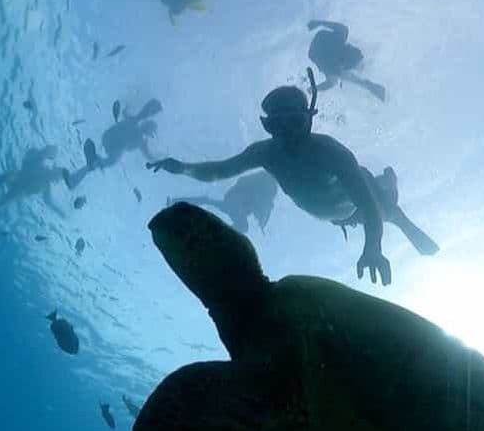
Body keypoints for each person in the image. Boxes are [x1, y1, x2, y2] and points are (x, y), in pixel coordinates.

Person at [148, 70, 436, 286]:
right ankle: (386, 194)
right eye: (276, 125)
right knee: (374, 209)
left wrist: (372, 247)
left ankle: (390, 189)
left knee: (387, 210)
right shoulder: (265, 153)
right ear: (268, 126)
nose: (287, 134)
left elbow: (369, 206)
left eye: (294, 122)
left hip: (359, 205)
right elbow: (219, 171)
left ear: (309, 118)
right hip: (336, 215)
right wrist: (183, 167)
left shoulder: (332, 153)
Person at [332, 166, 439, 256]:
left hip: (378, 204)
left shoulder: (383, 199)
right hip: (377, 206)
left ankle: (427, 248)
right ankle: (427, 248)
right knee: (396, 217)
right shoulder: (346, 209)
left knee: (395, 216)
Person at [63, 99, 162, 190]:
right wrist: (158, 158)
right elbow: (148, 155)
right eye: (150, 130)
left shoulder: (134, 125)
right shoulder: (140, 139)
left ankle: (77, 176)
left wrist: (128, 107)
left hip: (107, 138)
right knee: (112, 160)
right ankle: (93, 164)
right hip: (112, 144)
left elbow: (127, 113)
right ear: (149, 132)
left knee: (106, 161)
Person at [0, 145, 66, 217]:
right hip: (18, 177)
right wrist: (44, 152)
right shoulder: (40, 163)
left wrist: (59, 212)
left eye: (56, 177)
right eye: (56, 173)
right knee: (7, 176)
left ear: (55, 180)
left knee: (1, 204)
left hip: (20, 191)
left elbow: (48, 202)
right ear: (54, 168)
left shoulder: (46, 185)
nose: (54, 177)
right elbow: (28, 159)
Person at [167, 171, 278, 234]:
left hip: (235, 201)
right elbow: (243, 183)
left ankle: (176, 202)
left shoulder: (269, 187)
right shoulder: (267, 184)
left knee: (209, 201)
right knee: (243, 225)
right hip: (236, 201)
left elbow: (264, 207)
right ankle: (218, 235)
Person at [307, 20, 386, 102]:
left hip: (322, 44)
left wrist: (319, 23)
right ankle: (369, 86)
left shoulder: (340, 37)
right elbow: (331, 83)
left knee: (344, 75)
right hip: (320, 52)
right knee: (344, 75)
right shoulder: (332, 65)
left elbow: (331, 83)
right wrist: (314, 88)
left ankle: (369, 86)